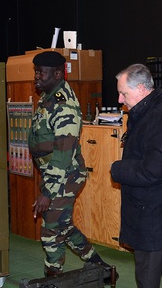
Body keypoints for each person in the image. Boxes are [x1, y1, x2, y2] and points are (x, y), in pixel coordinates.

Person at [27, 51, 114, 280]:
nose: (36, 76)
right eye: (35, 71)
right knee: (63, 226)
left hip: (66, 175)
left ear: (57, 73)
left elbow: (62, 155)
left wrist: (47, 192)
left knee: (51, 231)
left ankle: (52, 279)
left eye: (41, 72)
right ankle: (103, 270)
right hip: (55, 174)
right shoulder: (48, 96)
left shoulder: (63, 105)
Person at [110, 63, 162, 288]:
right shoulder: (153, 110)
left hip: (152, 211)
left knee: (147, 273)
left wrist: (118, 169)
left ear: (140, 89)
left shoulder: (157, 116)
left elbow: (154, 169)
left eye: (123, 93)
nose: (119, 99)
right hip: (159, 207)